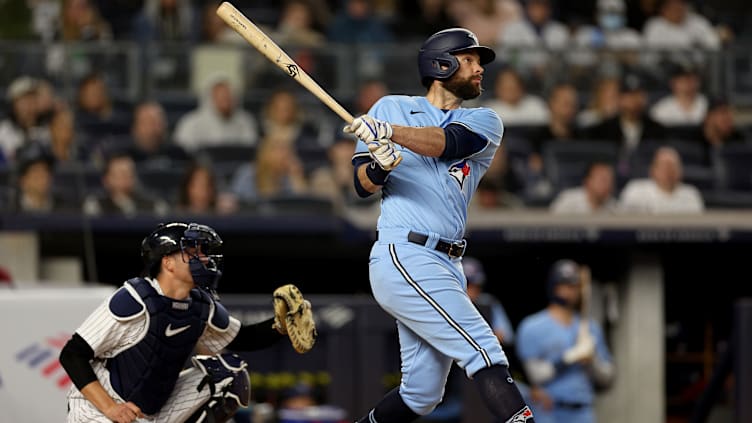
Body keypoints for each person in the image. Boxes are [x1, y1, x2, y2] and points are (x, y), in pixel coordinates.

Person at [346, 28, 534, 423]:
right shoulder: (389, 107)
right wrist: (380, 166)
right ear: (440, 63)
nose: (480, 68)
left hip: (448, 263)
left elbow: (447, 143)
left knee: (421, 394)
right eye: (470, 59)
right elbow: (361, 185)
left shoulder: (485, 120)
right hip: (404, 253)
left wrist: (390, 135)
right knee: (484, 349)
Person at [59, 221, 314, 422]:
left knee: (228, 375)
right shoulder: (135, 299)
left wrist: (280, 325)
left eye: (202, 252)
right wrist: (111, 408)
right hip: (100, 409)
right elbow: (72, 355)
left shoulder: (201, 305)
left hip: (150, 412)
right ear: (167, 261)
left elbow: (243, 338)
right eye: (192, 251)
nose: (202, 257)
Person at [515, 259, 615, 423]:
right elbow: (536, 375)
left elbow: (608, 380)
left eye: (573, 286)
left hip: (583, 411)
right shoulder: (532, 326)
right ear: (553, 286)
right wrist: (569, 357)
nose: (568, 291)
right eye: (563, 285)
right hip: (548, 411)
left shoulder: (590, 328)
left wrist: (592, 360)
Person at [618, 145, 705, 214]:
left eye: (673, 166)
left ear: (681, 171)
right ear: (653, 170)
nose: (669, 171)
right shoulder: (635, 190)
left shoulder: (691, 195)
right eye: (664, 166)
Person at [549, 161, 619, 214]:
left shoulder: (614, 208)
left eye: (610, 180)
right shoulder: (568, 200)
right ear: (587, 182)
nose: (607, 184)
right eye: (603, 180)